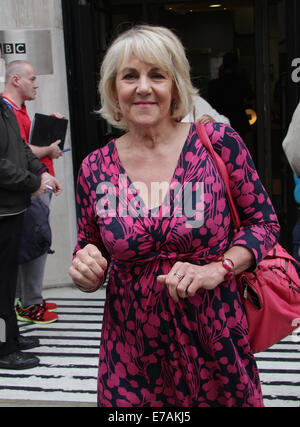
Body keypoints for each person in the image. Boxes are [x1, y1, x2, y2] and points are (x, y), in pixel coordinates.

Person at [69, 25, 280, 407]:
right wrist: (85, 268)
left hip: (216, 347)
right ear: (114, 88)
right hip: (131, 356)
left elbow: (263, 223)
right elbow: (90, 246)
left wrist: (220, 268)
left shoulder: (217, 144)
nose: (144, 87)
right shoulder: (94, 168)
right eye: (130, 76)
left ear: (176, 86)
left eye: (157, 75)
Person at [0, 96, 62, 369]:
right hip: (3, 210)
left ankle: (11, 337)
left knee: (7, 281)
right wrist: (32, 181)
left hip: (11, 209)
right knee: (1, 285)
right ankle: (5, 348)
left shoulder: (5, 109)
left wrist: (41, 173)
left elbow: (22, 151)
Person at [2, 60, 64, 324]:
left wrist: (42, 173)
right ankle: (27, 307)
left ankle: (21, 310)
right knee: (33, 245)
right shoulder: (7, 111)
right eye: (32, 79)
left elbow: (23, 150)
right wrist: (37, 177)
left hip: (30, 188)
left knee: (25, 248)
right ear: (15, 80)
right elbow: (10, 160)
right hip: (20, 195)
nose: (36, 84)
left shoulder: (15, 110)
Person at [208, 52, 254, 139]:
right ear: (236, 65)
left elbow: (211, 103)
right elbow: (250, 96)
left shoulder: (214, 84)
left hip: (220, 122)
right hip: (238, 120)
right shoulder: (241, 81)